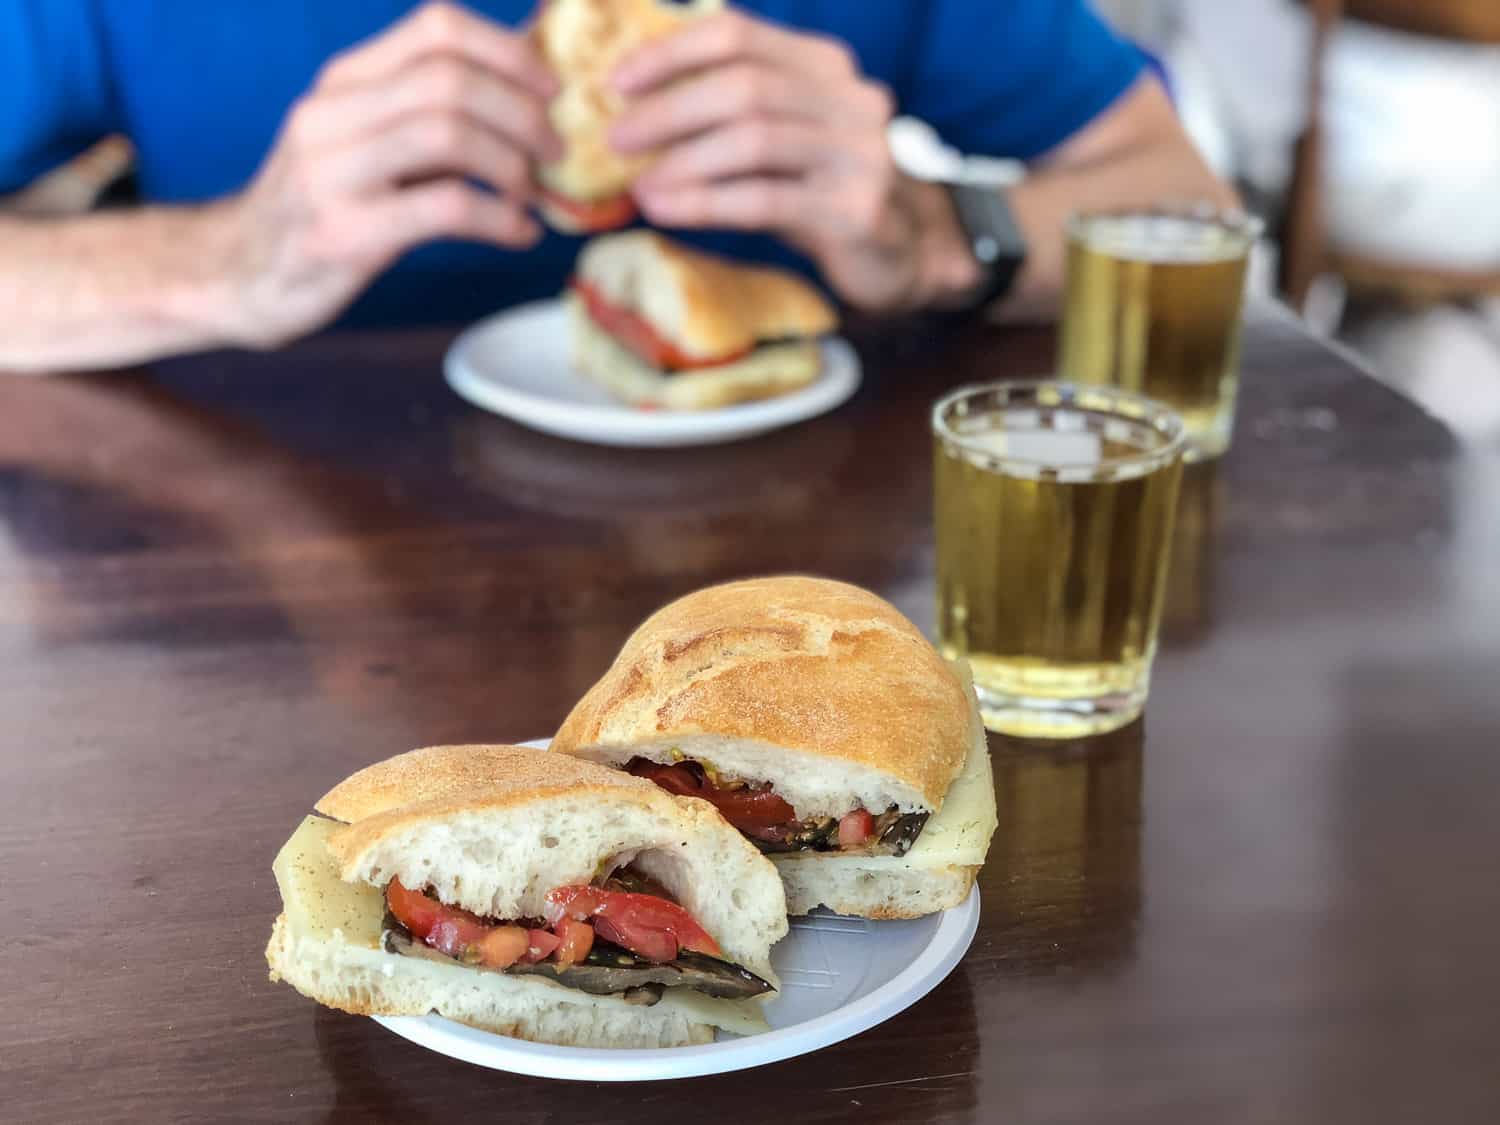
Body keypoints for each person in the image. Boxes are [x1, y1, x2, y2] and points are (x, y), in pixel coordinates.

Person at [0, 1, 1235, 374]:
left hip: (793, 602)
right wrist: (226, 259)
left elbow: (1191, 208)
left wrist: (937, 238)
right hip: (260, 626)